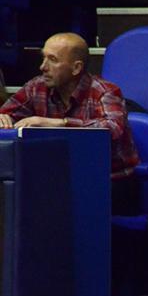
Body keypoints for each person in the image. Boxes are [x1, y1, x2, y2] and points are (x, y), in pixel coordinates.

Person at [0, 32, 139, 214]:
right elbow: (7, 112)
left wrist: (58, 123)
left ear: (76, 68)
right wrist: (3, 117)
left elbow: (112, 128)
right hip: (62, 178)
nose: (43, 67)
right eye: (43, 58)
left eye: (52, 60)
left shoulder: (105, 91)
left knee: (48, 199)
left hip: (111, 181)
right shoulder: (36, 87)